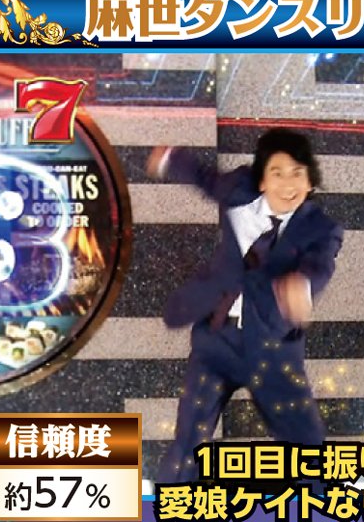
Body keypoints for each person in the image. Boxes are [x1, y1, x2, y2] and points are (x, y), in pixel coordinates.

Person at [146, 128, 343, 484]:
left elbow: (320, 265)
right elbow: (205, 177)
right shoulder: (238, 189)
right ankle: (170, 503)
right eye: (277, 173)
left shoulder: (321, 228)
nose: (288, 184)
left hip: (272, 349)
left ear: (310, 182)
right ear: (262, 180)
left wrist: (302, 287)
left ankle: (314, 505)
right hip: (215, 341)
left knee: (308, 449)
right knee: (188, 441)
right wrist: (171, 158)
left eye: (298, 173)